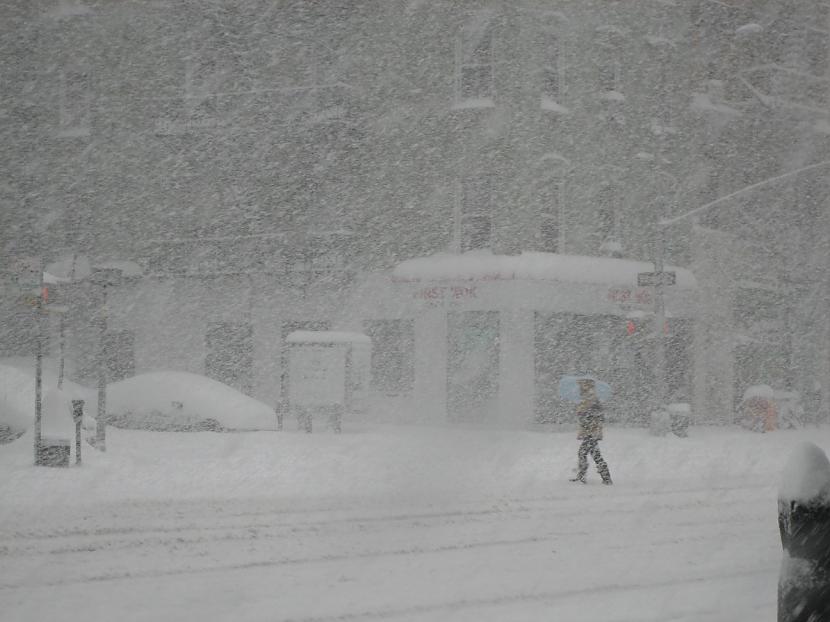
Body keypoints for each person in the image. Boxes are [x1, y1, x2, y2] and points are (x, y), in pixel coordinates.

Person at [570, 379, 613, 485]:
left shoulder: (592, 400)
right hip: (590, 433)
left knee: (584, 453)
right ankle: (605, 477)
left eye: (581, 386)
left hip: (591, 433)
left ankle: (584, 477)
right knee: (593, 455)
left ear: (587, 387)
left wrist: (584, 415)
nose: (580, 389)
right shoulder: (586, 400)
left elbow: (598, 417)